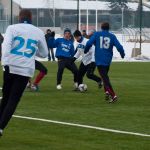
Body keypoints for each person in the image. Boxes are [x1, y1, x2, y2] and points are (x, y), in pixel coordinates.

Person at [0, 9, 48, 136]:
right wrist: (31, 52)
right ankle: (1, 127)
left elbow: (6, 45)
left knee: (5, 97)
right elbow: (44, 53)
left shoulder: (12, 28)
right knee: (13, 99)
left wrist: (5, 62)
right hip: (25, 69)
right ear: (31, 18)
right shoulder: (38, 32)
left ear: (19, 18)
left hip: (10, 66)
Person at [85, 22, 125, 103]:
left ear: (101, 27)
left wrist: (86, 50)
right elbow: (119, 47)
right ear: (108, 28)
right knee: (104, 76)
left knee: (105, 79)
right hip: (107, 60)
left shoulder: (97, 34)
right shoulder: (112, 36)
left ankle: (113, 95)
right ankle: (107, 92)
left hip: (99, 60)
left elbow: (89, 43)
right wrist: (122, 54)